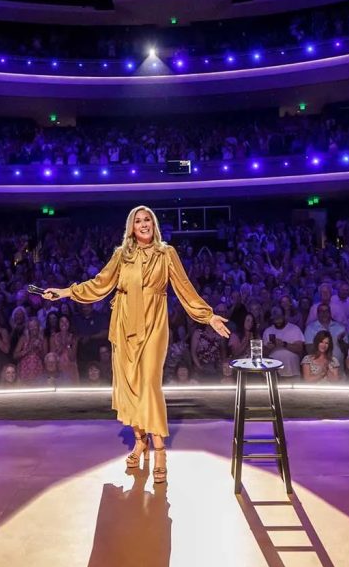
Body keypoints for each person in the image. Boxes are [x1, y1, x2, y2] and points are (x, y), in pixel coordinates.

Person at [43, 205, 229, 485]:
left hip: (153, 325)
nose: (143, 224)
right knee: (130, 386)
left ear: (154, 224)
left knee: (149, 385)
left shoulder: (166, 253)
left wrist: (208, 316)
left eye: (147, 220)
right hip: (125, 325)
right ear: (131, 227)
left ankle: (160, 450)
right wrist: (65, 292)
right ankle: (140, 441)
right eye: (138, 221)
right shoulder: (122, 255)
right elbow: (99, 284)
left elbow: (185, 288)